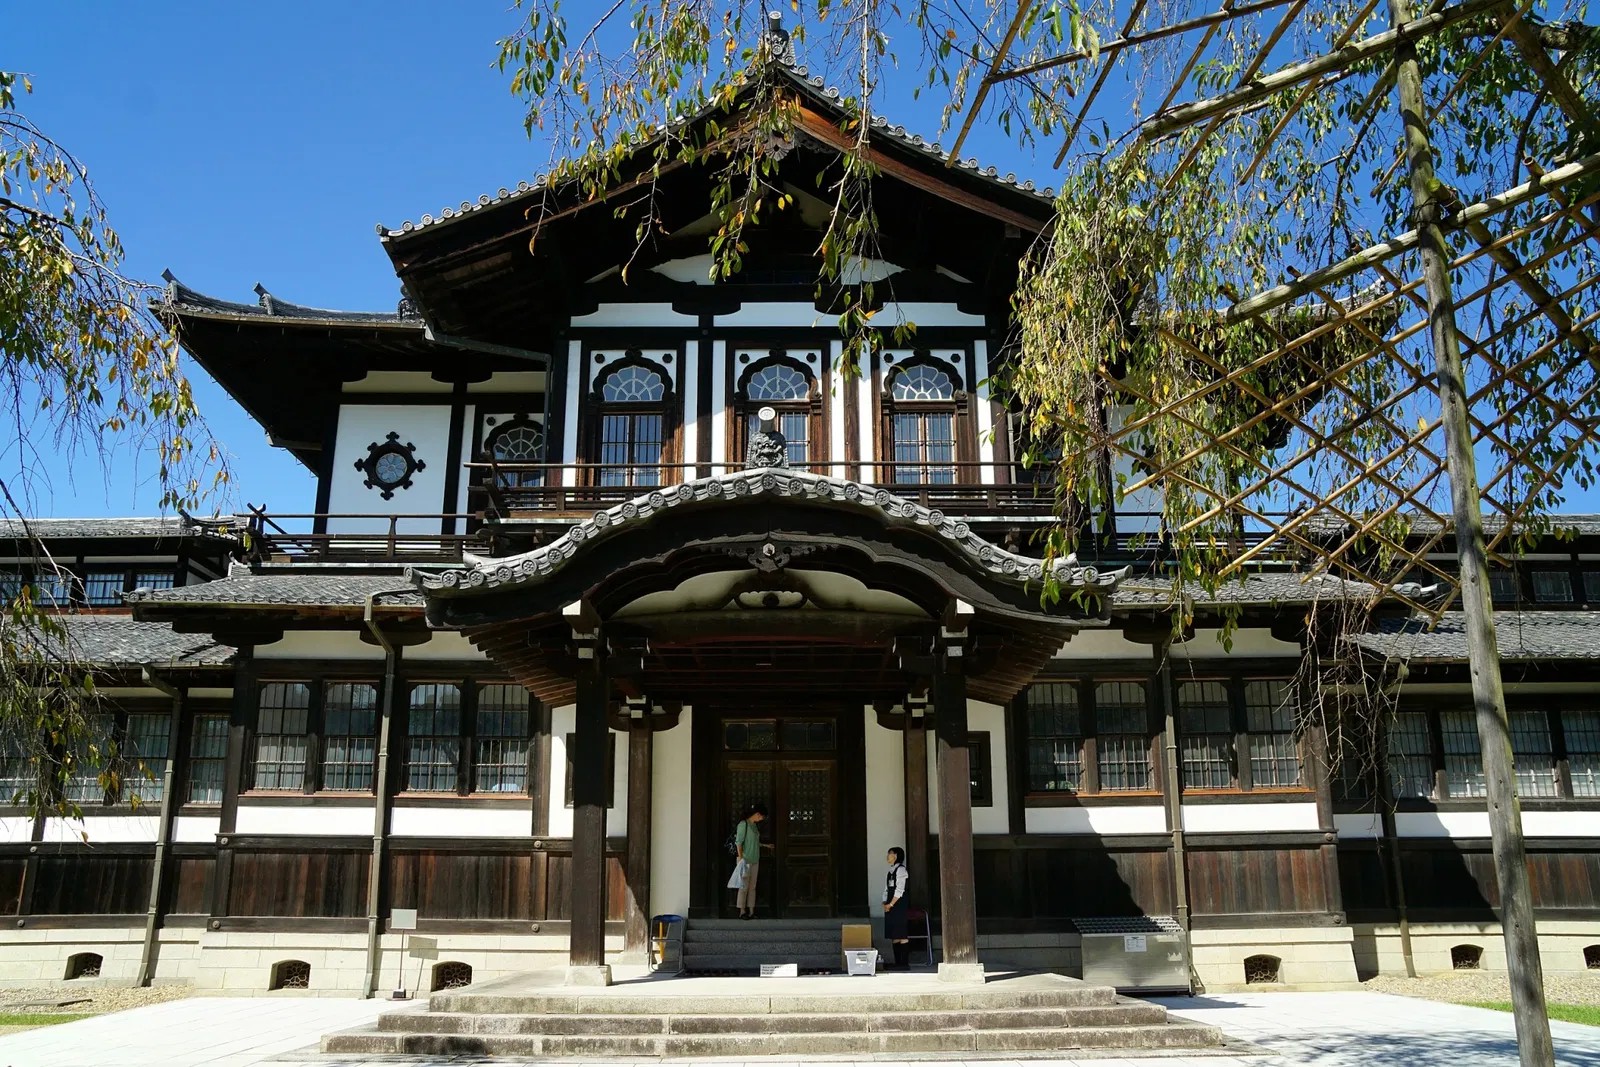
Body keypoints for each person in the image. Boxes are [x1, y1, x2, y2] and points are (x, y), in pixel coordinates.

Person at [733, 804, 769, 919]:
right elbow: (738, 843)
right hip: (745, 860)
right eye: (762, 817)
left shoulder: (754, 826)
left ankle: (751, 911)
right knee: (743, 887)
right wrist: (741, 859)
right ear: (757, 814)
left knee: (752, 887)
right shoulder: (744, 825)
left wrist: (765, 845)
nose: (762, 819)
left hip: (754, 859)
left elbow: (753, 842)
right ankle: (742, 911)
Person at [883, 847, 911, 970]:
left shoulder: (901, 870)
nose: (887, 856)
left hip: (898, 904)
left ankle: (904, 963)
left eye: (890, 854)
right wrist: (884, 902)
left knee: (902, 933)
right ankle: (897, 962)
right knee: (894, 934)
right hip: (890, 904)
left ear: (896, 856)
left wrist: (891, 904)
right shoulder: (890, 871)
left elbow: (900, 890)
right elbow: (887, 888)